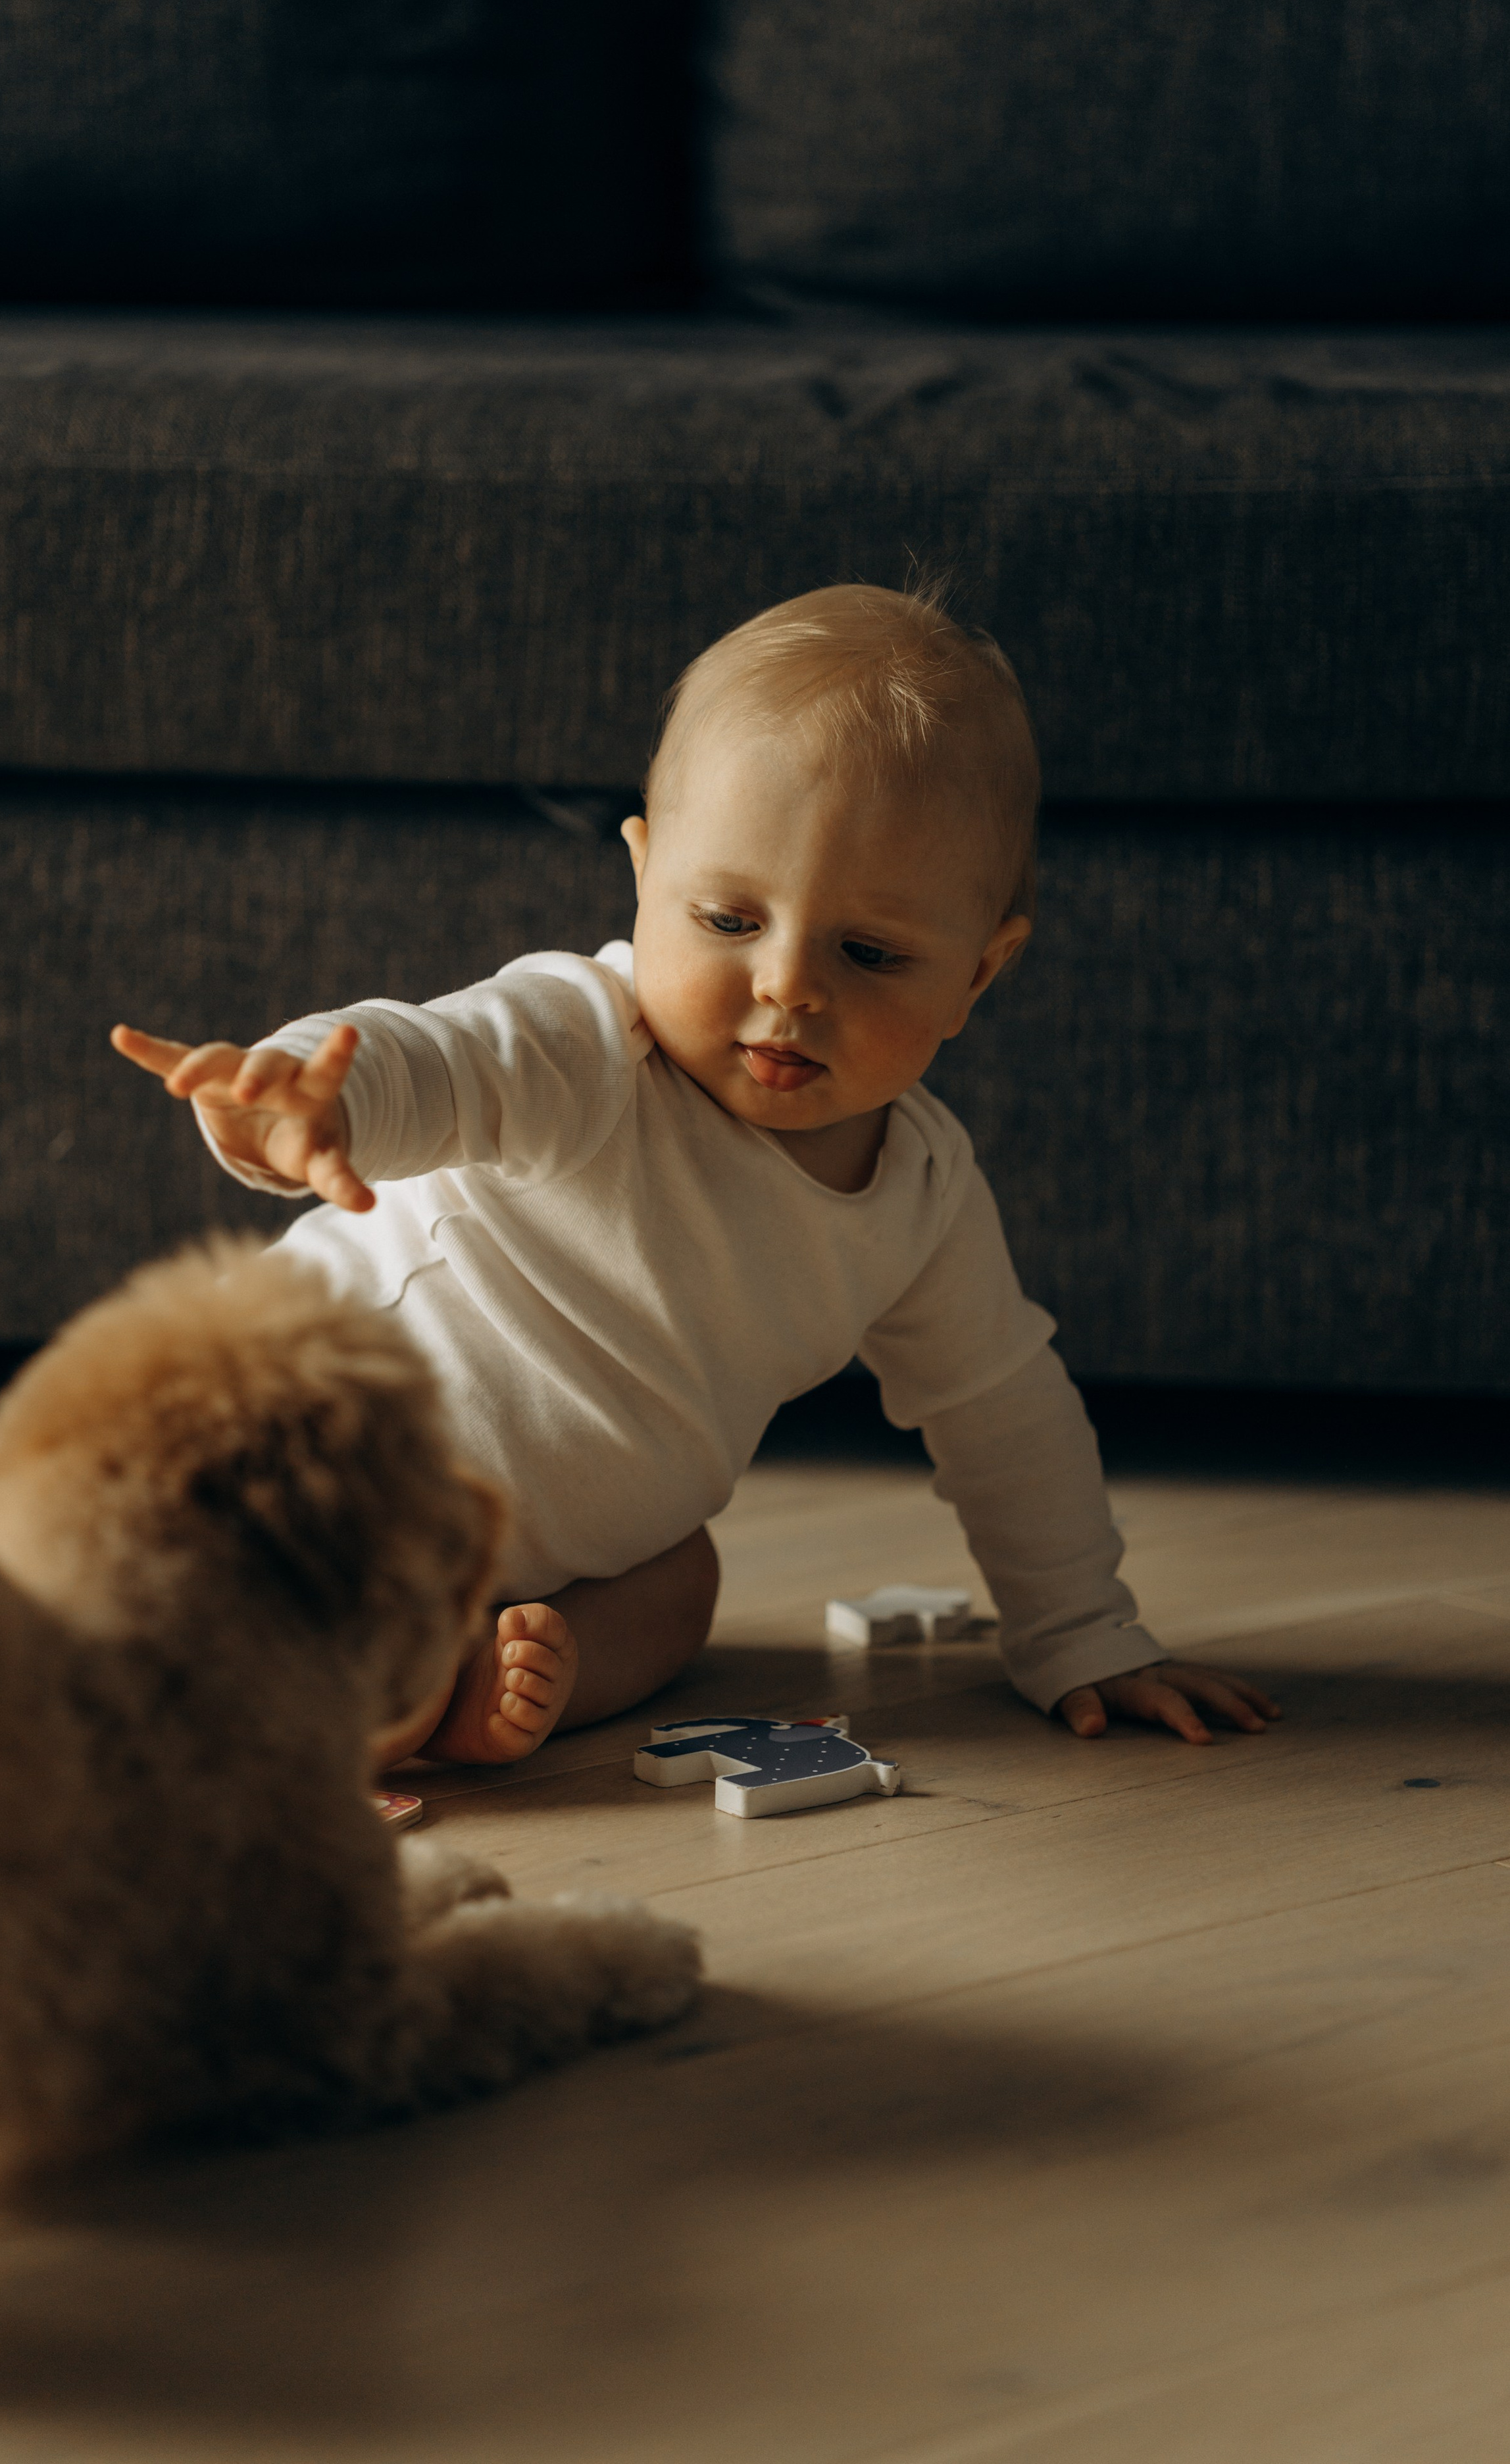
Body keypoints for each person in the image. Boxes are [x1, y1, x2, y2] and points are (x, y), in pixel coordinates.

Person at [114, 584, 1278, 1767]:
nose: (789, 986)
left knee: (681, 1584)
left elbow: (1005, 1414)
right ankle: (319, 1672)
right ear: (645, 874)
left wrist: (1084, 1632)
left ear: (978, 977)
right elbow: (430, 1055)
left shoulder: (921, 1195)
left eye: (869, 953)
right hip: (305, 1448)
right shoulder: (586, 1042)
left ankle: (486, 1679)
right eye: (728, 920)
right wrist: (308, 1096)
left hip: (547, 1554)